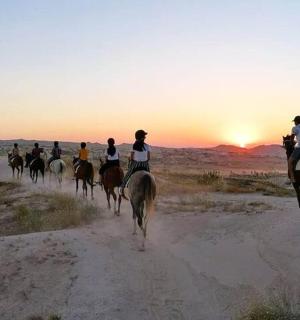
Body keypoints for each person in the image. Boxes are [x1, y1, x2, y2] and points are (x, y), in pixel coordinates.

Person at [119, 130, 151, 198]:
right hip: (145, 164)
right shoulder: (147, 146)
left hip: (136, 164)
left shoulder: (133, 146)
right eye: (144, 136)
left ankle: (122, 188)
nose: (145, 137)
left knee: (128, 174)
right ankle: (150, 191)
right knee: (149, 176)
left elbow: (132, 158)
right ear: (142, 137)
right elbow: (148, 158)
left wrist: (132, 160)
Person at [288, 116, 300, 183]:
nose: (294, 123)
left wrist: (293, 143)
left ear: (296, 121)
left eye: (295, 121)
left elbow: (291, 139)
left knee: (290, 161)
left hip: (299, 148)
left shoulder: (295, 128)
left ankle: (292, 178)